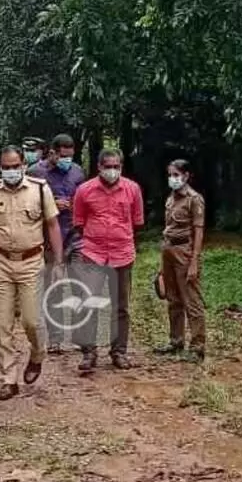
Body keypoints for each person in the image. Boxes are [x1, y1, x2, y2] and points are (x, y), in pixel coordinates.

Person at [0, 145, 62, 401]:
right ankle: (8, 379)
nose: (11, 171)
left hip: (32, 262)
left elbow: (53, 225)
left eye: (15, 166)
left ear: (23, 165)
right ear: (0, 167)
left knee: (32, 321)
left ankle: (37, 354)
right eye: (6, 167)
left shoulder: (40, 189)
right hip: (1, 263)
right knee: (3, 323)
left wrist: (59, 261)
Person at [71, 148, 144, 374]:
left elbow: (137, 222)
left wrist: (124, 239)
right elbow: (79, 222)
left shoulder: (132, 189)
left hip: (123, 254)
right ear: (99, 167)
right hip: (93, 253)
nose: (113, 171)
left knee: (121, 307)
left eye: (117, 167)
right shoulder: (84, 191)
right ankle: (88, 352)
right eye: (108, 166)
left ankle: (119, 351)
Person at [31, 134, 87, 352]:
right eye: (63, 156)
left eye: (70, 156)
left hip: (75, 235)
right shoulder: (36, 173)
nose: (67, 160)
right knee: (52, 287)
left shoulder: (77, 172)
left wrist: (74, 206)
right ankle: (54, 338)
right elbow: (28, 204)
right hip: (48, 238)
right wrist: (51, 204)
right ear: (52, 153)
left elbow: (84, 200)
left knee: (79, 285)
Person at [153, 159, 207, 363]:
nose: (172, 178)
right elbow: (168, 228)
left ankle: (198, 346)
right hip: (168, 248)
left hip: (185, 249)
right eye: (170, 174)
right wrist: (161, 267)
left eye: (176, 174)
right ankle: (176, 340)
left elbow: (199, 231)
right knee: (173, 298)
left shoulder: (194, 199)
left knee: (191, 299)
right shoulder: (171, 198)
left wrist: (194, 261)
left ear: (186, 175)